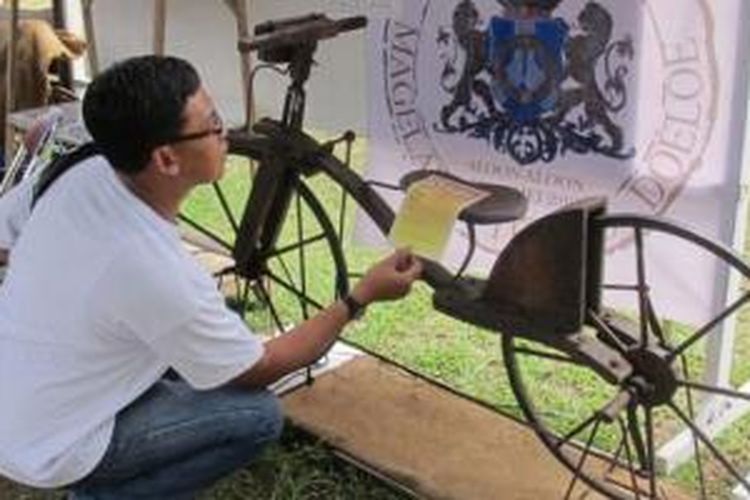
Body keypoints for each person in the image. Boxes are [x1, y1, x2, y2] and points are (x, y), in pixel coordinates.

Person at [0, 55, 422, 499]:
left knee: (208, 324)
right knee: (257, 416)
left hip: (18, 393)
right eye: (214, 124)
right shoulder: (153, 268)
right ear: (166, 158)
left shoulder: (84, 167)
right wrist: (359, 298)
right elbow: (260, 369)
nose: (228, 134)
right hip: (50, 445)